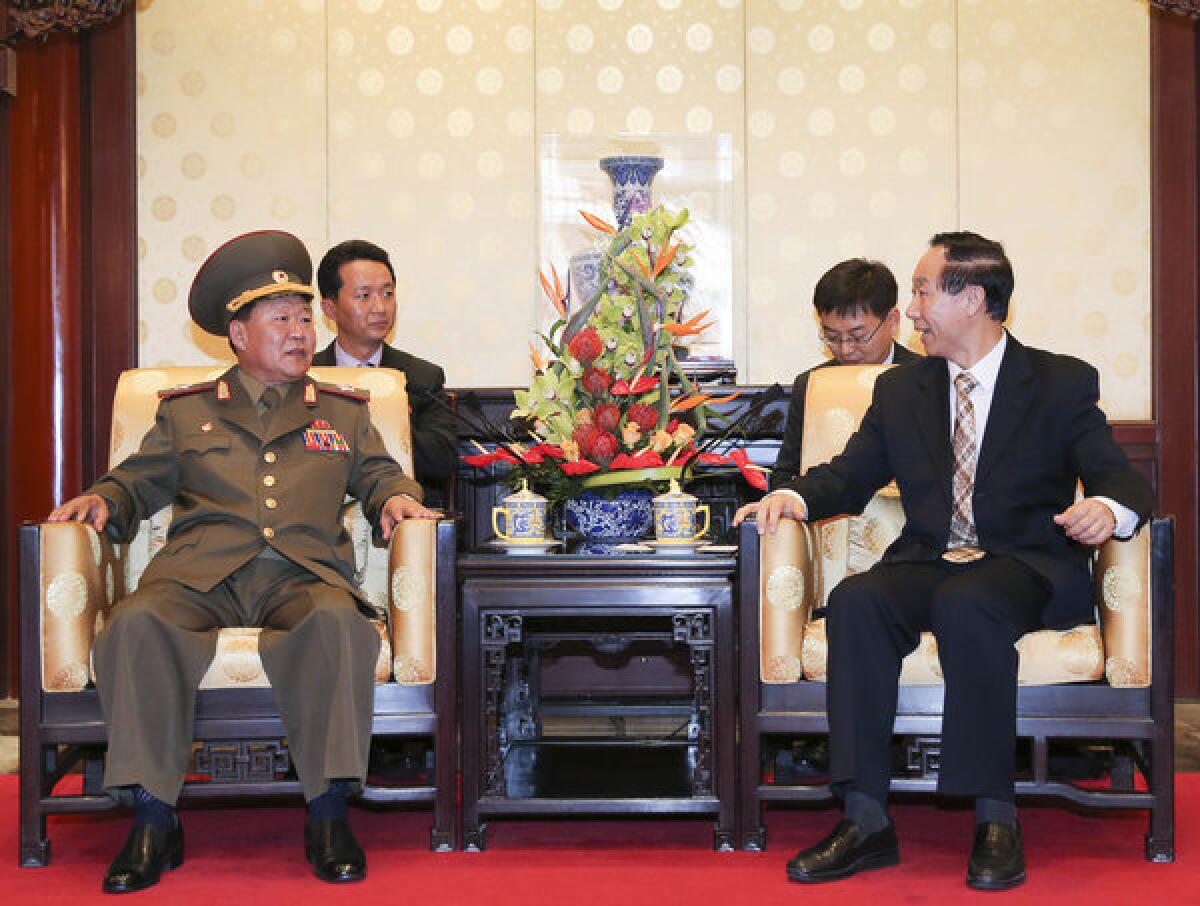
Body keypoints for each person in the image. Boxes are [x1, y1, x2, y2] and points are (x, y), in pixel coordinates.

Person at [735, 231, 1153, 891]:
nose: (916, 306)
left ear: (974, 299)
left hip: (1026, 565)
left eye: (926, 288)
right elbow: (848, 476)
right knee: (857, 601)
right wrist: (788, 494)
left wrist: (1108, 508)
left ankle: (995, 817)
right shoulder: (903, 390)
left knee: (972, 601)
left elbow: (1122, 480)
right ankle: (865, 818)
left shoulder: (1058, 382)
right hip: (931, 558)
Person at [48, 230, 438, 893]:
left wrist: (400, 499)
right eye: (280, 319)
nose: (298, 331)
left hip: (301, 574)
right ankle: (151, 820)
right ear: (238, 333)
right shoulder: (187, 413)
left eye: (303, 317)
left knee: (337, 626)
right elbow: (136, 481)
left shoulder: (342, 413)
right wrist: (101, 498)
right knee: (136, 626)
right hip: (199, 576)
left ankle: (328, 814)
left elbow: (382, 476)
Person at [313, 240, 457, 504]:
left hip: (401, 516)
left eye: (387, 294)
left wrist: (390, 418)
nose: (380, 307)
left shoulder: (421, 377)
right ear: (329, 308)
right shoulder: (308, 377)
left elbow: (440, 463)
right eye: (364, 296)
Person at [770, 258, 918, 489]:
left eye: (858, 337)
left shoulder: (924, 379)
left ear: (892, 321)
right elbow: (786, 473)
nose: (845, 349)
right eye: (832, 337)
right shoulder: (812, 385)